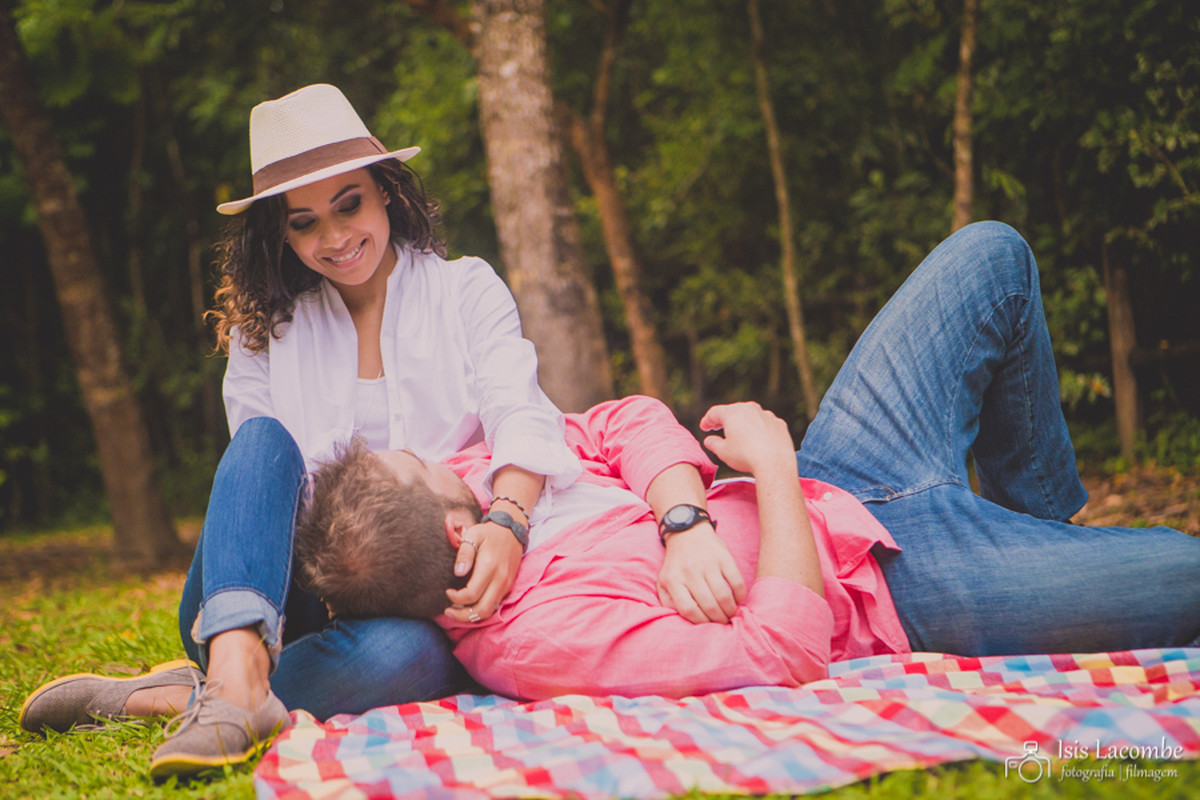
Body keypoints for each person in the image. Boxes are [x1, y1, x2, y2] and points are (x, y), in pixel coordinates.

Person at [295, 221, 1200, 701]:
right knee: (1187, 578)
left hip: (845, 466)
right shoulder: (545, 639)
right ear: (455, 538)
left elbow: (620, 419)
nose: (421, 448)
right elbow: (781, 652)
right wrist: (767, 467)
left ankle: (1040, 528)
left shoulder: (500, 477)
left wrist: (682, 519)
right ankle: (1030, 563)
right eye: (411, 466)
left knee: (993, 258)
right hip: (901, 587)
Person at [18, 84, 582, 777]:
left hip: (409, 603)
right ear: (279, 233)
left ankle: (204, 695)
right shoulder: (267, 332)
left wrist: (508, 519)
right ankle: (234, 664)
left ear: (386, 194)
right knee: (261, 443)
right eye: (305, 222)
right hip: (279, 599)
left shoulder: (466, 290)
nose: (337, 238)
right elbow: (263, 496)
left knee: (413, 658)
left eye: (350, 204)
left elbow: (521, 410)